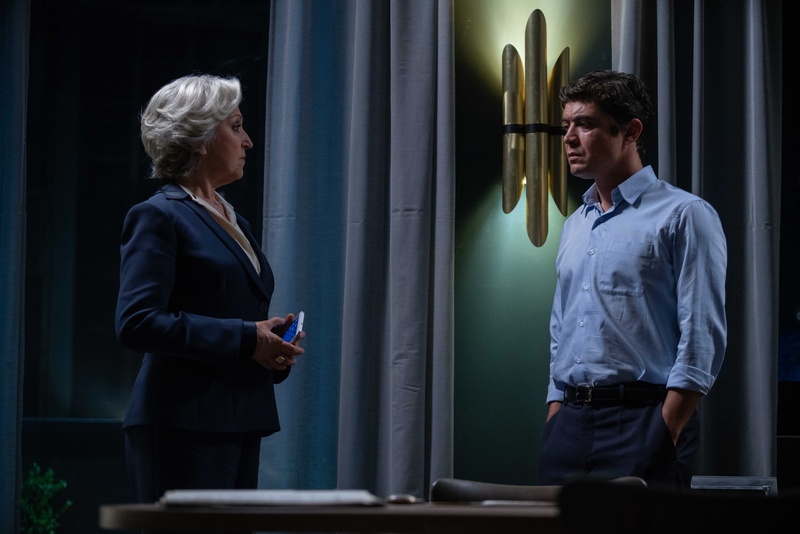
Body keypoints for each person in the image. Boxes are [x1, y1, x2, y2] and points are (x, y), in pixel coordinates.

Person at [115, 74, 305, 505]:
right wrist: (246, 337)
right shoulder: (158, 216)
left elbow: (234, 317)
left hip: (239, 419)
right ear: (198, 137)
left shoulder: (234, 219)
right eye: (236, 127)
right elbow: (137, 322)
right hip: (181, 423)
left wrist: (270, 347)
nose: (248, 141)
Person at [538, 70, 727, 488]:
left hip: (644, 423)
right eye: (566, 125)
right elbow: (561, 327)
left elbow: (702, 333)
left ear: (630, 131)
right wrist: (556, 412)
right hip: (568, 426)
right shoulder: (575, 224)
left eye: (584, 124)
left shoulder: (684, 215)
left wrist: (667, 427)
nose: (568, 138)